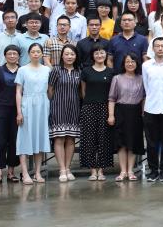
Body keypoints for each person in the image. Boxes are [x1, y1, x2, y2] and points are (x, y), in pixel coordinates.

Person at [14, 43, 51, 184]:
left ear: (42, 53)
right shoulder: (22, 70)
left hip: (43, 105)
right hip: (27, 105)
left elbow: (50, 90)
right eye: (33, 51)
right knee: (24, 138)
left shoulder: (47, 70)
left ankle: (37, 172)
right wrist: (19, 112)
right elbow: (18, 91)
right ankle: (25, 173)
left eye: (38, 51)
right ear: (29, 54)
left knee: (40, 138)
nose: (36, 54)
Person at [142, 37, 163, 182]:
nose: (160, 48)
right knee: (151, 142)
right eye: (157, 46)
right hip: (151, 107)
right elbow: (146, 86)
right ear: (153, 48)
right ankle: (153, 170)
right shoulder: (146, 65)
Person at [79, 43, 115, 181]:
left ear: (106, 55)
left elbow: (113, 93)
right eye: (96, 53)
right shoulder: (86, 71)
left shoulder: (111, 72)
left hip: (105, 108)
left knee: (104, 139)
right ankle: (92, 170)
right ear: (92, 56)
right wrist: (89, 102)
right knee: (89, 139)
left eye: (102, 53)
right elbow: (83, 91)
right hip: (89, 108)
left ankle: (101, 170)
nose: (99, 55)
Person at [108, 53, 146, 181]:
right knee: (121, 143)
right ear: (123, 64)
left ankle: (130, 171)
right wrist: (111, 115)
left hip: (136, 113)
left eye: (133, 61)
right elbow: (112, 98)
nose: (130, 64)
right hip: (120, 112)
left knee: (132, 142)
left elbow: (144, 97)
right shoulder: (117, 78)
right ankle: (123, 171)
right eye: (127, 62)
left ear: (137, 63)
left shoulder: (141, 78)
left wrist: (143, 112)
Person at [47, 44, 80, 182]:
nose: (69, 56)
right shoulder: (56, 70)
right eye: (66, 54)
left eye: (72, 54)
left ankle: (68, 168)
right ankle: (61, 169)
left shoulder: (79, 72)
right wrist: (54, 104)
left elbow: (80, 92)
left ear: (76, 56)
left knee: (71, 139)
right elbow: (50, 90)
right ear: (62, 56)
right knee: (59, 138)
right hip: (58, 108)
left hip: (74, 108)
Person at [0, 45, 21, 184]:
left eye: (15, 54)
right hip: (1, 109)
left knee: (14, 141)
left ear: (19, 56)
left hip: (17, 110)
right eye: (9, 53)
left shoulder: (22, 70)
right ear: (5, 56)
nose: (12, 56)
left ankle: (11, 172)